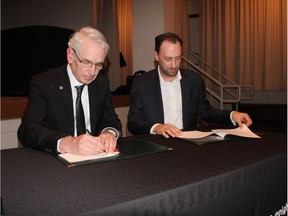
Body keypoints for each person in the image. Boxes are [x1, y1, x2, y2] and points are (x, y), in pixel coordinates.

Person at [18, 26, 122, 155]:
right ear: (70, 56)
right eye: (86, 62)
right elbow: (27, 130)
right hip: (55, 161)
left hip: (94, 159)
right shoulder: (44, 82)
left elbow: (111, 120)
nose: (92, 72)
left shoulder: (101, 83)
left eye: (99, 64)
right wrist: (67, 143)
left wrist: (109, 132)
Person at [127, 32, 252, 138]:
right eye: (168, 59)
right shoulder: (141, 83)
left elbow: (205, 112)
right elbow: (133, 123)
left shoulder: (194, 81)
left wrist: (232, 115)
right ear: (156, 56)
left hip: (188, 145)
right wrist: (156, 127)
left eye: (178, 58)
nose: (174, 65)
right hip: (156, 144)